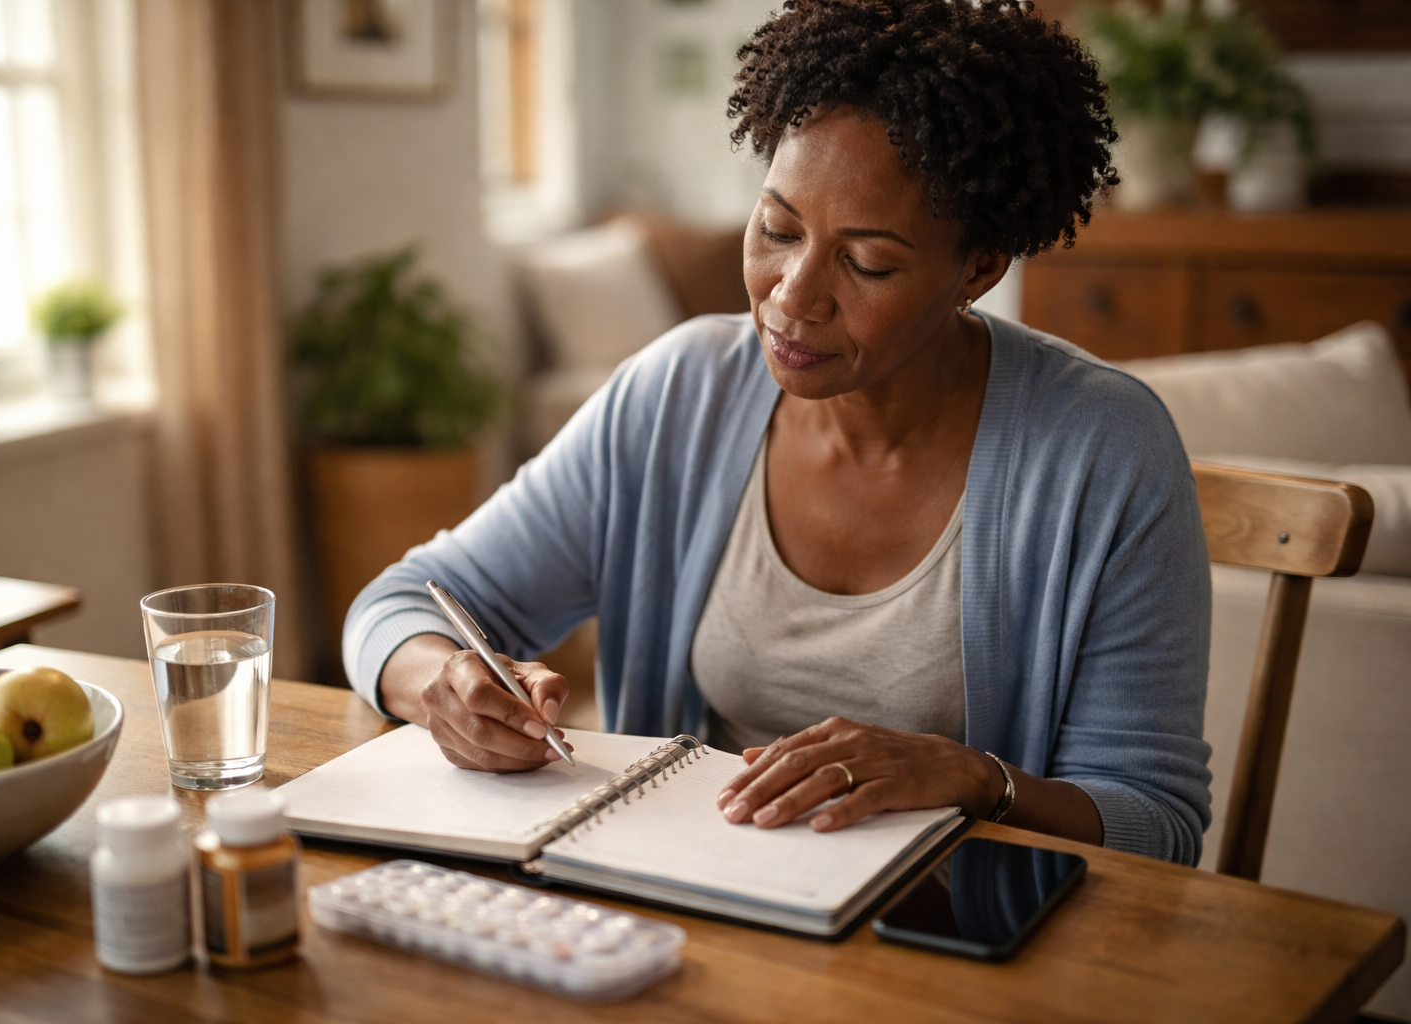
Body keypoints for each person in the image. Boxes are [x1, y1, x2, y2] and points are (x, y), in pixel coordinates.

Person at [344, 0, 1212, 865]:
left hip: (948, 947)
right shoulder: (678, 395)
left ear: (978, 268)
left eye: (867, 262)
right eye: (777, 229)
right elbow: (400, 604)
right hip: (682, 910)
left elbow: (1153, 822)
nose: (793, 296)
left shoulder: (1103, 450)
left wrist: (978, 780)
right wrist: (444, 686)